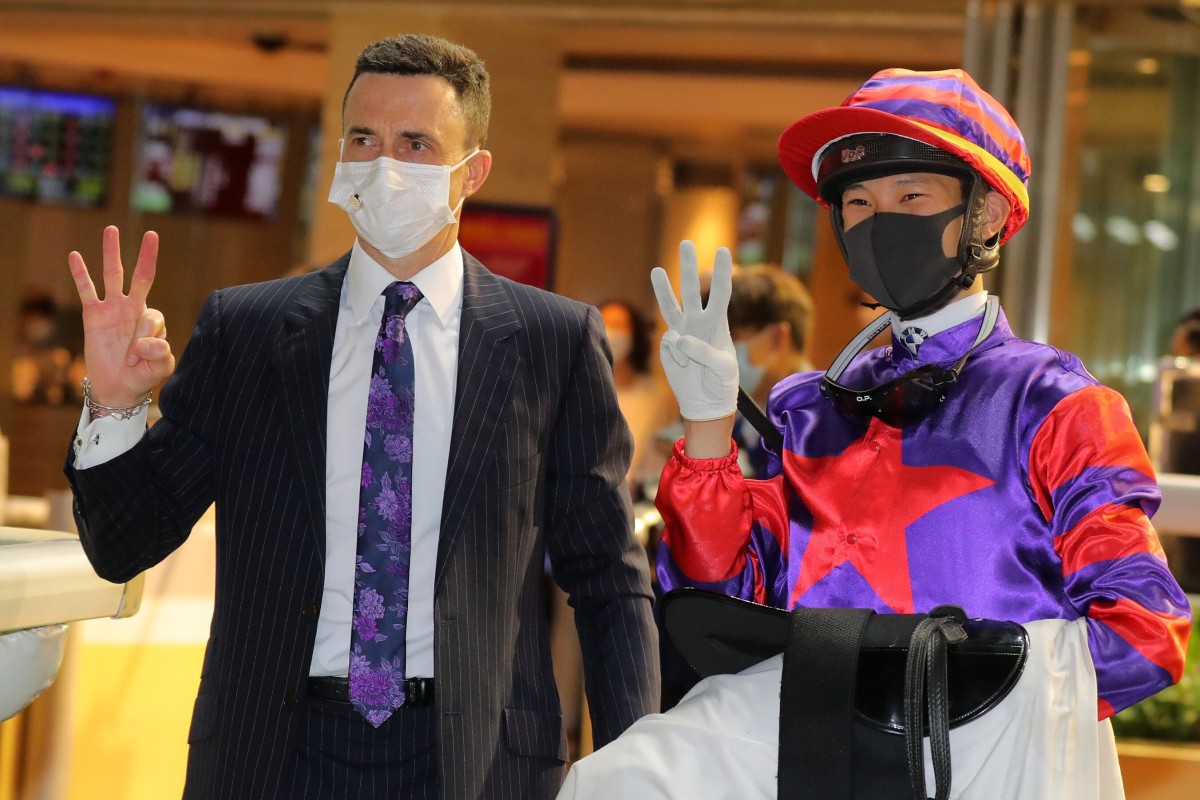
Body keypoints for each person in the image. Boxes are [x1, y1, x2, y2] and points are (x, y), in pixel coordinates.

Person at [559, 68, 1191, 798]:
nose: (879, 219)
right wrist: (708, 428)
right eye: (858, 201)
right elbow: (722, 596)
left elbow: (1146, 629)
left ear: (985, 214)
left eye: (911, 196)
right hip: (812, 750)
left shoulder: (1057, 405)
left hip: (989, 769)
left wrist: (966, 706)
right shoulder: (808, 408)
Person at [64, 34, 658, 800]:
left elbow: (607, 577)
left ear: (471, 172)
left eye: (416, 144)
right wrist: (114, 404)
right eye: (363, 138)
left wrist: (640, 764)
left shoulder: (552, 343)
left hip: (476, 759)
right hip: (273, 752)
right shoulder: (247, 332)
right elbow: (123, 545)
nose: (385, 164)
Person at [726, 264, 814, 478]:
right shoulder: (743, 410)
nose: (724, 355)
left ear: (778, 338)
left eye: (733, 342)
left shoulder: (816, 422)